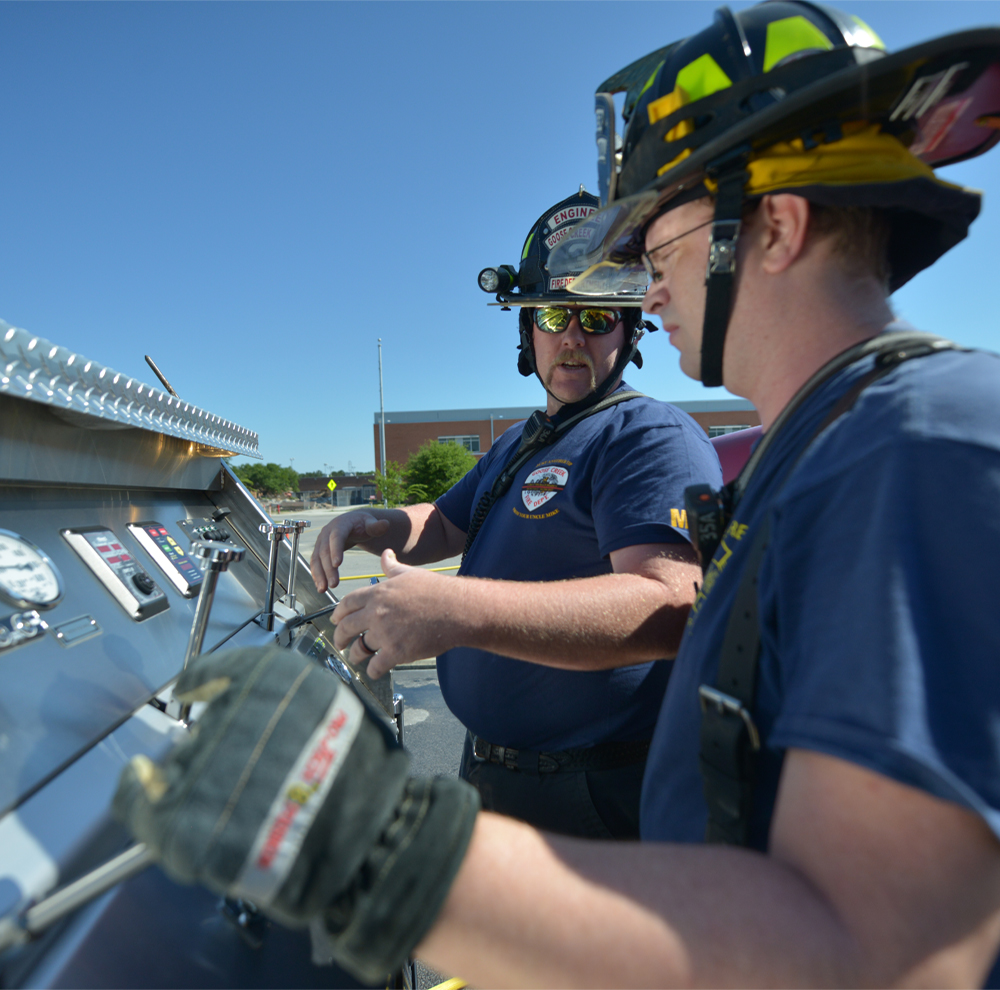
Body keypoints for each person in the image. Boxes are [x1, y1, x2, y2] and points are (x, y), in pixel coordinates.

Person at [115, 4, 1000, 986]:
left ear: (778, 226)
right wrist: (372, 524)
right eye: (566, 310)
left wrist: (361, 840)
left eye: (656, 252)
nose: (646, 297)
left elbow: (886, 954)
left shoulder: (921, 445)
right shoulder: (831, 445)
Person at [308, 188, 722, 839]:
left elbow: (669, 605)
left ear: (629, 329)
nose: (572, 337)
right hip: (496, 773)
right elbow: (443, 524)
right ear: (527, 331)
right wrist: (371, 523)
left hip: (594, 794)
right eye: (554, 319)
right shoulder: (523, 440)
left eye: (595, 319)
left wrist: (457, 610)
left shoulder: (647, 436)